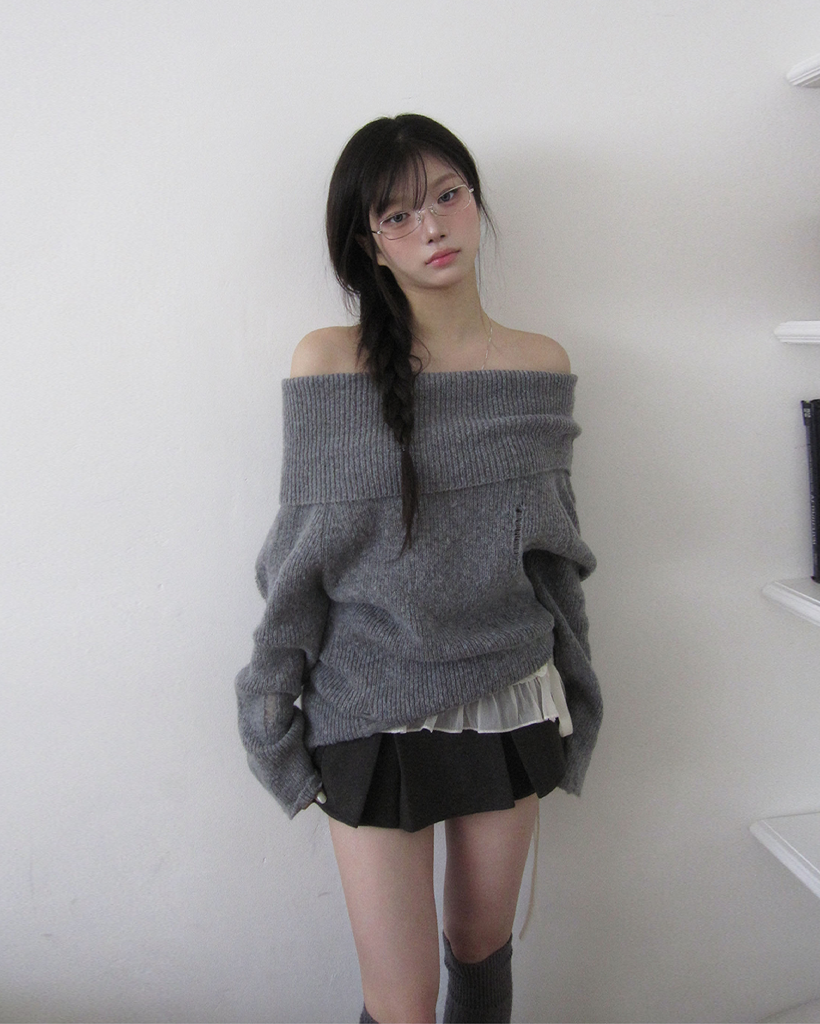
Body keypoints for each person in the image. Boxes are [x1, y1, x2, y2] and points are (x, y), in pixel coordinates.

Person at [235, 114, 602, 1024]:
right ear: (369, 242)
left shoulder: (540, 364)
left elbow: (557, 559)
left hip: (510, 692)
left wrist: (580, 694)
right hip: (368, 703)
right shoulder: (328, 362)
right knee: (401, 1001)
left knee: (480, 950)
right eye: (398, 215)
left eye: (447, 196)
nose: (432, 227)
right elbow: (299, 557)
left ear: (476, 202)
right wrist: (270, 709)